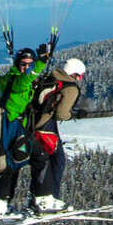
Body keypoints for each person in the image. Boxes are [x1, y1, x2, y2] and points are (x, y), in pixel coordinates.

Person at [0, 47, 46, 216]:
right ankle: (42, 198)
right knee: (39, 156)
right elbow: (25, 79)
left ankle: (2, 204)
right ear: (18, 63)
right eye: (23, 64)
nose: (26, 67)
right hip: (13, 127)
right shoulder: (19, 81)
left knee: (13, 163)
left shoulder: (7, 78)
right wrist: (40, 63)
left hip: (9, 126)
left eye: (29, 64)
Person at [23, 57, 86, 213]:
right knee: (57, 160)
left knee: (41, 160)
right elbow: (62, 114)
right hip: (46, 125)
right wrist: (74, 115)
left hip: (32, 123)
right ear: (75, 74)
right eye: (80, 76)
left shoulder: (51, 77)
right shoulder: (70, 88)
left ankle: (37, 197)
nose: (80, 79)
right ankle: (50, 198)